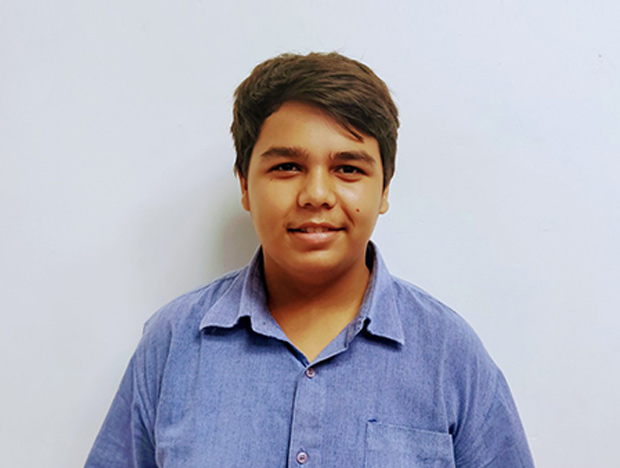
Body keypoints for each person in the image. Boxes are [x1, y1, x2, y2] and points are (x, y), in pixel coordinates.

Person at [85, 52, 534, 467]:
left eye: (348, 169)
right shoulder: (172, 344)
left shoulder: (450, 354)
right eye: (287, 167)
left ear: (384, 189)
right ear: (245, 185)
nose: (316, 194)